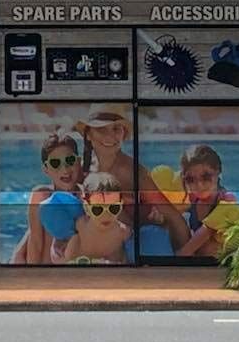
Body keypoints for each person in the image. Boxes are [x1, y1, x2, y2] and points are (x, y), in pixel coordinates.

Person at [73, 104, 189, 256]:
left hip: (137, 244)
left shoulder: (133, 172)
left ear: (123, 134)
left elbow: (171, 215)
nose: (109, 136)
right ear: (88, 134)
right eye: (101, 129)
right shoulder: (83, 169)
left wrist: (186, 256)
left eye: (116, 129)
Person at [11, 131, 84, 264]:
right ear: (46, 169)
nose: (65, 169)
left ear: (78, 162)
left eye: (70, 161)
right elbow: (35, 244)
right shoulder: (41, 195)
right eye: (56, 163)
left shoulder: (86, 197)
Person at [174, 145, 239, 258]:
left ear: (218, 172)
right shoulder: (192, 202)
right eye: (190, 180)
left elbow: (205, 233)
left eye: (206, 177)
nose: (199, 185)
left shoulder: (227, 200)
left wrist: (174, 259)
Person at [64, 172, 131, 264]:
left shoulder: (123, 232)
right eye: (98, 209)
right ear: (86, 208)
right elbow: (67, 259)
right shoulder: (80, 227)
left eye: (113, 208)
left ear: (121, 205)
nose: (106, 215)